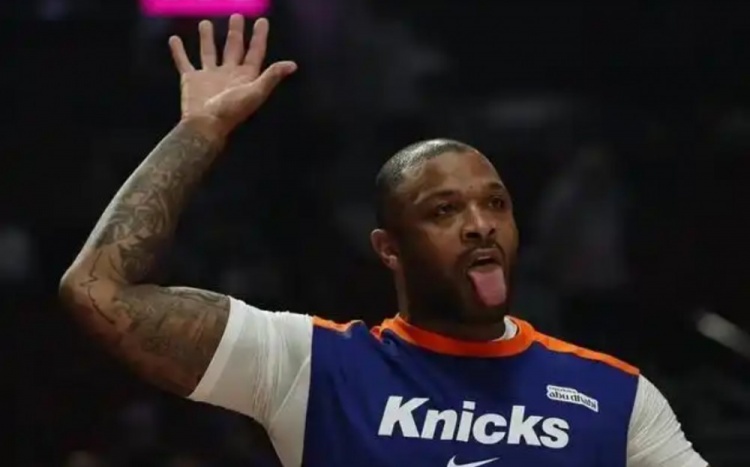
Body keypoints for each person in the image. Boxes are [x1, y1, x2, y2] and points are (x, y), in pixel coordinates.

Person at [59, 14, 708, 467]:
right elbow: (97, 292)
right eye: (444, 210)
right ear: (388, 248)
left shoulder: (614, 395)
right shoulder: (311, 366)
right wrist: (199, 131)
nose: (480, 224)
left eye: (495, 204)